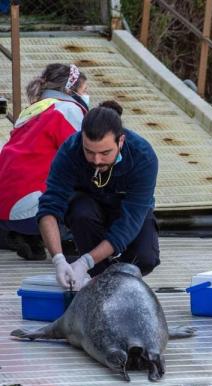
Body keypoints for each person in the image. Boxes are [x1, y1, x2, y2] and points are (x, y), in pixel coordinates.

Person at [37, 101, 161, 290]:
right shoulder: (70, 150)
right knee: (80, 211)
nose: (96, 160)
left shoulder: (143, 156)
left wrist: (85, 262)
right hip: (89, 210)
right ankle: (99, 280)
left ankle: (118, 281)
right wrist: (58, 259)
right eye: (89, 152)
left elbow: (129, 223)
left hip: (127, 211)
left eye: (105, 153)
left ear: (121, 141)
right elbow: (49, 208)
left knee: (145, 258)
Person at [0, 63, 89, 260]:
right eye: (84, 90)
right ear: (70, 90)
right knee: (90, 179)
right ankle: (68, 239)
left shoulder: (32, 110)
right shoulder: (68, 110)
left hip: (7, 208)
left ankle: (31, 238)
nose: (86, 96)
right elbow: (85, 158)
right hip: (35, 212)